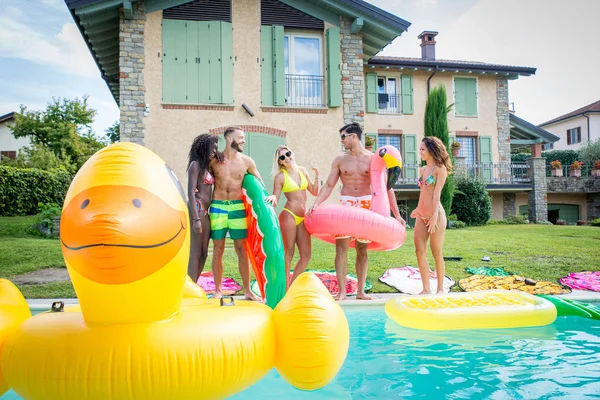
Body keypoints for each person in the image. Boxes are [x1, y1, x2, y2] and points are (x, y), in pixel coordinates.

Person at [307, 123, 406, 300]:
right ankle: (342, 292)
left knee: (362, 249)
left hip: (366, 205)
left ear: (354, 136)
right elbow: (329, 184)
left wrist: (397, 215)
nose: (342, 141)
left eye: (344, 137)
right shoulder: (339, 160)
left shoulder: (372, 159)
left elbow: (386, 188)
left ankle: (360, 291)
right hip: (346, 205)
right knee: (341, 249)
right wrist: (316, 203)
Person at [208, 127, 263, 300]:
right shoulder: (214, 160)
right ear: (229, 139)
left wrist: (268, 202)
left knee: (241, 249)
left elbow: (260, 184)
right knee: (218, 248)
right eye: (240, 138)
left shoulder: (247, 162)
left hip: (238, 208)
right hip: (217, 207)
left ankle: (247, 290)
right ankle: (218, 290)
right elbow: (203, 180)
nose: (243, 141)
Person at [265, 145, 319, 288]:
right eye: (282, 157)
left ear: (292, 154)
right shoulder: (280, 177)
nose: (287, 158)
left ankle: (292, 286)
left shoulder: (302, 171)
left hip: (303, 218)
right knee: (289, 253)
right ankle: (283, 286)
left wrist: (317, 175)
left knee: (306, 255)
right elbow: (275, 197)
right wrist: (272, 197)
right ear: (280, 162)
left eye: (288, 154)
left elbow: (314, 191)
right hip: (289, 215)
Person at [410, 136, 452, 294]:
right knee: (419, 250)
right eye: (420, 149)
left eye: (422, 149)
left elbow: (436, 194)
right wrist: (418, 209)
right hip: (421, 215)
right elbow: (423, 193)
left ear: (431, 150)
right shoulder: (422, 170)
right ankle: (426, 288)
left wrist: (434, 216)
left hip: (437, 216)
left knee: (436, 252)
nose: (420, 152)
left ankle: (440, 289)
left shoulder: (439, 169)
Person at [187, 133, 221, 283]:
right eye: (211, 147)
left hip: (206, 212)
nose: (214, 150)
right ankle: (189, 285)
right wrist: (195, 218)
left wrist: (218, 154)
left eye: (216, 147)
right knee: (195, 251)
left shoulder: (207, 166)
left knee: (204, 253)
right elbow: (190, 191)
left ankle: (193, 282)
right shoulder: (195, 165)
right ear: (203, 148)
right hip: (198, 209)